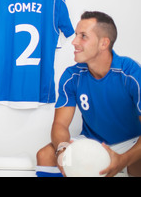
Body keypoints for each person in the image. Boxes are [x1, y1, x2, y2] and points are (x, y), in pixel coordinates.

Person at [36, 11, 141, 177]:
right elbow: (60, 124)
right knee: (46, 155)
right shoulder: (72, 76)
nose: (74, 42)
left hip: (131, 142)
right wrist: (63, 150)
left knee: (138, 162)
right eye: (76, 35)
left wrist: (123, 159)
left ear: (103, 43)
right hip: (92, 143)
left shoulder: (131, 74)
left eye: (83, 36)